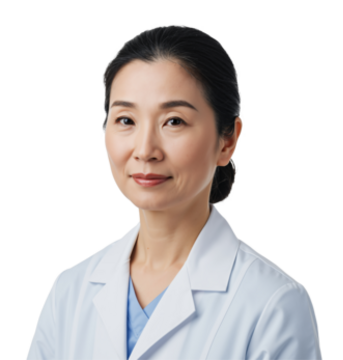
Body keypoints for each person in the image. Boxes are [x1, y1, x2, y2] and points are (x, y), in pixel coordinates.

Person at [25, 24, 323, 360]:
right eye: (126, 120)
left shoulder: (274, 303)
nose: (145, 150)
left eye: (174, 121)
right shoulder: (68, 291)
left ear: (228, 140)